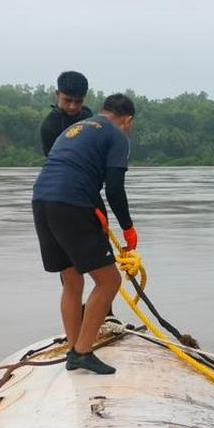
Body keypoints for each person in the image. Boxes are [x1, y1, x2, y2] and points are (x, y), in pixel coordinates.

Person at [32, 93, 138, 375]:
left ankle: (73, 347)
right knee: (109, 281)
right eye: (130, 125)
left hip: (42, 200)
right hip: (72, 203)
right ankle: (82, 352)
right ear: (127, 120)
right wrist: (128, 228)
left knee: (71, 280)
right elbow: (115, 188)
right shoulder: (117, 136)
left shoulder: (73, 130)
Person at [40, 70, 93, 156]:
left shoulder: (88, 116)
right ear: (57, 94)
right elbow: (54, 161)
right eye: (68, 100)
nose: (73, 106)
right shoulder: (49, 126)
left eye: (78, 101)